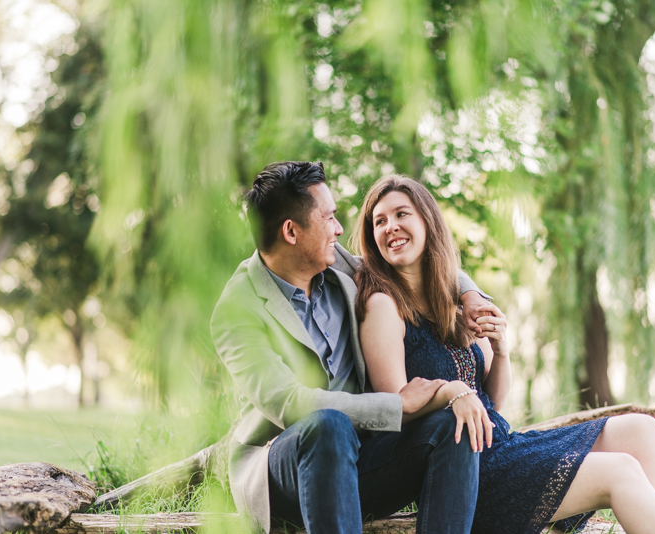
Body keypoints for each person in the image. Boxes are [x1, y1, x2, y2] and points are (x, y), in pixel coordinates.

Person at [352, 174, 655, 534]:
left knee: (643, 429)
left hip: (504, 445)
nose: (391, 227)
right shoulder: (383, 305)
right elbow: (396, 409)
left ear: (427, 221)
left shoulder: (455, 301)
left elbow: (492, 399)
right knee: (619, 471)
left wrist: (501, 351)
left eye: (402, 214)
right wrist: (452, 394)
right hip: (464, 471)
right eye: (380, 221)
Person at [210, 161, 494, 534]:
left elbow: (414, 260)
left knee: (449, 425)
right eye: (328, 218)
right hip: (287, 473)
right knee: (328, 425)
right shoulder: (236, 310)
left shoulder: (337, 267)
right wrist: (396, 405)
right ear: (291, 231)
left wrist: (469, 293)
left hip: (367, 459)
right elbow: (290, 404)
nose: (340, 229)